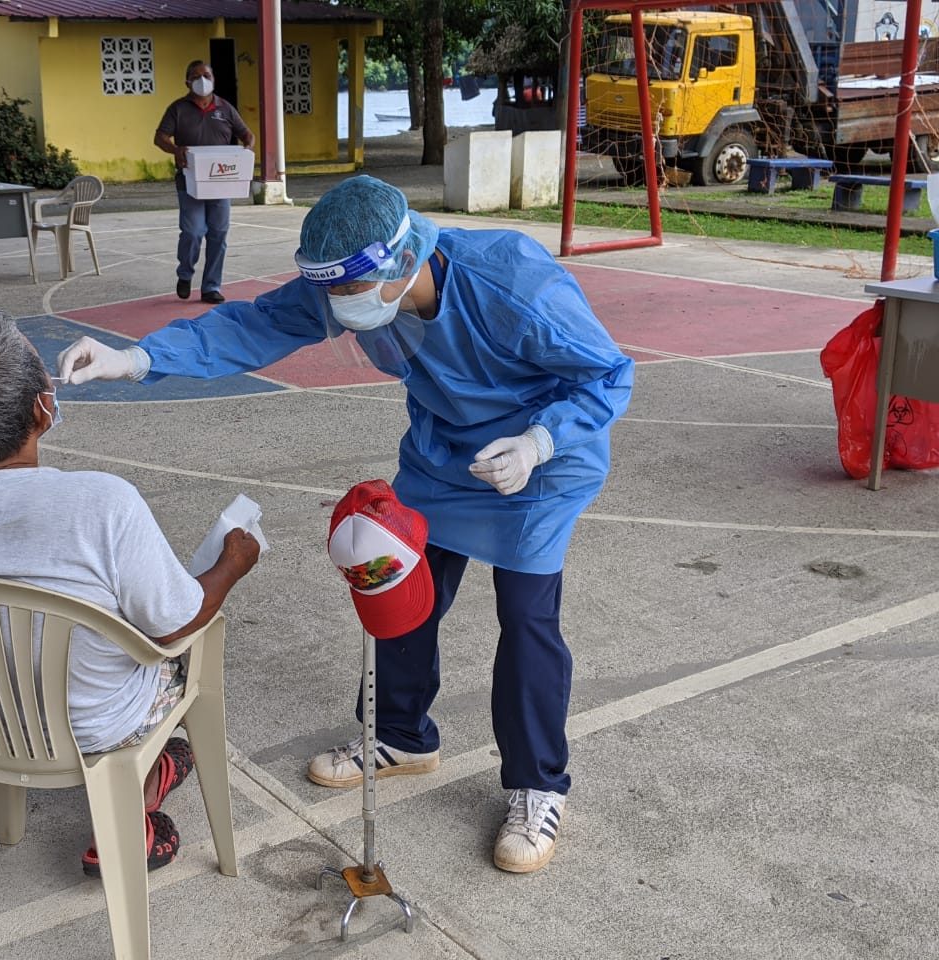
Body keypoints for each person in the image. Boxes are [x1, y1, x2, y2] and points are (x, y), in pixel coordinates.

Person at [56, 175, 635, 875]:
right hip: (443, 455)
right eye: (329, 293)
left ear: (400, 263)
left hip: (538, 463)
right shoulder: (352, 285)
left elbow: (606, 375)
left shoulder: (511, 281)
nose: (336, 310)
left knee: (527, 620)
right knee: (395, 589)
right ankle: (401, 737)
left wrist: (539, 442)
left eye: (347, 294)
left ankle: (538, 784)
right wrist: (137, 359)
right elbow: (251, 326)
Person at [0, 307, 261, 872]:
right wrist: (233, 562)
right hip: (103, 723)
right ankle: (135, 805)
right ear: (42, 409)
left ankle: (140, 783)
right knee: (193, 640)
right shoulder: (102, 503)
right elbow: (176, 621)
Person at [154, 60, 256, 304]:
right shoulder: (177, 109)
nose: (202, 80)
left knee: (219, 233)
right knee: (193, 231)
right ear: (187, 82)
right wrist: (175, 149)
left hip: (221, 181)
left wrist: (246, 151)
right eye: (196, 76)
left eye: (207, 75)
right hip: (190, 180)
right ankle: (185, 273)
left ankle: (211, 286)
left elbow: (247, 134)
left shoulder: (225, 108)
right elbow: (159, 137)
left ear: (213, 79)